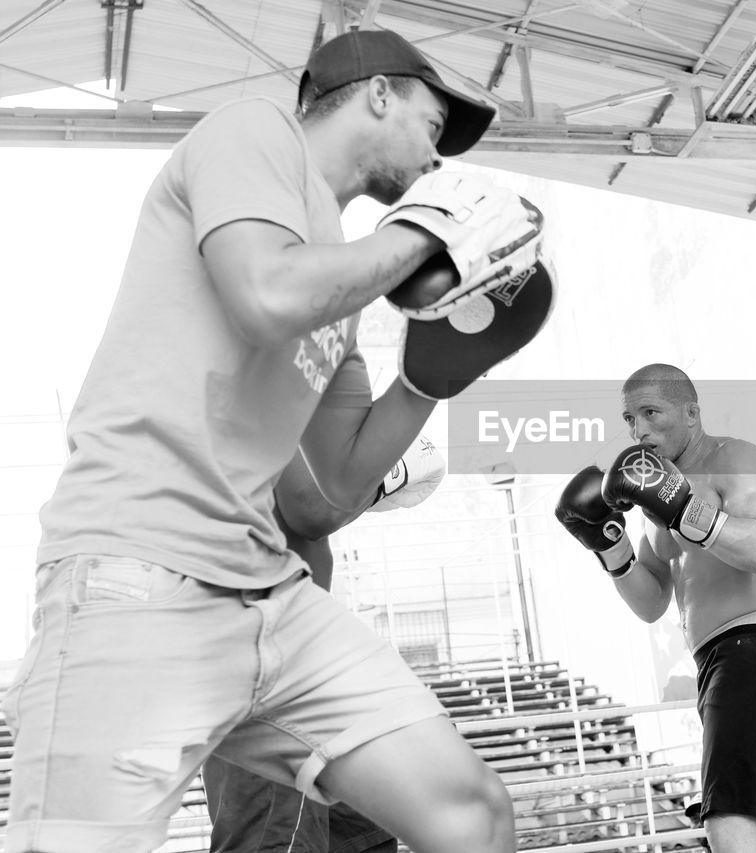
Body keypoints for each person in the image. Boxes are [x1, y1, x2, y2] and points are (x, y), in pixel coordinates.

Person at [3, 27, 552, 853]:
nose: (436, 162)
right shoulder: (253, 131)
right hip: (139, 568)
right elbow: (265, 294)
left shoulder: (345, 279)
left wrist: (428, 382)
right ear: (377, 93)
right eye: (432, 125)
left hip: (268, 593)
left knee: (471, 814)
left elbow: (321, 494)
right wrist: (430, 235)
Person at [554, 364, 756, 853]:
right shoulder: (658, 492)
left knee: (730, 823)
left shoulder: (733, 458)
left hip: (755, 650)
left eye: (651, 412)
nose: (639, 430)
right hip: (720, 663)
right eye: (630, 419)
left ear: (692, 413)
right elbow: (652, 602)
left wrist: (687, 512)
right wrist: (607, 545)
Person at [202, 436, 446, 853]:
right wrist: (383, 476)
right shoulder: (244, 416)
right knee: (276, 837)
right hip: (268, 675)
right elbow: (311, 509)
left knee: (363, 831)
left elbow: (308, 513)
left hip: (308, 672)